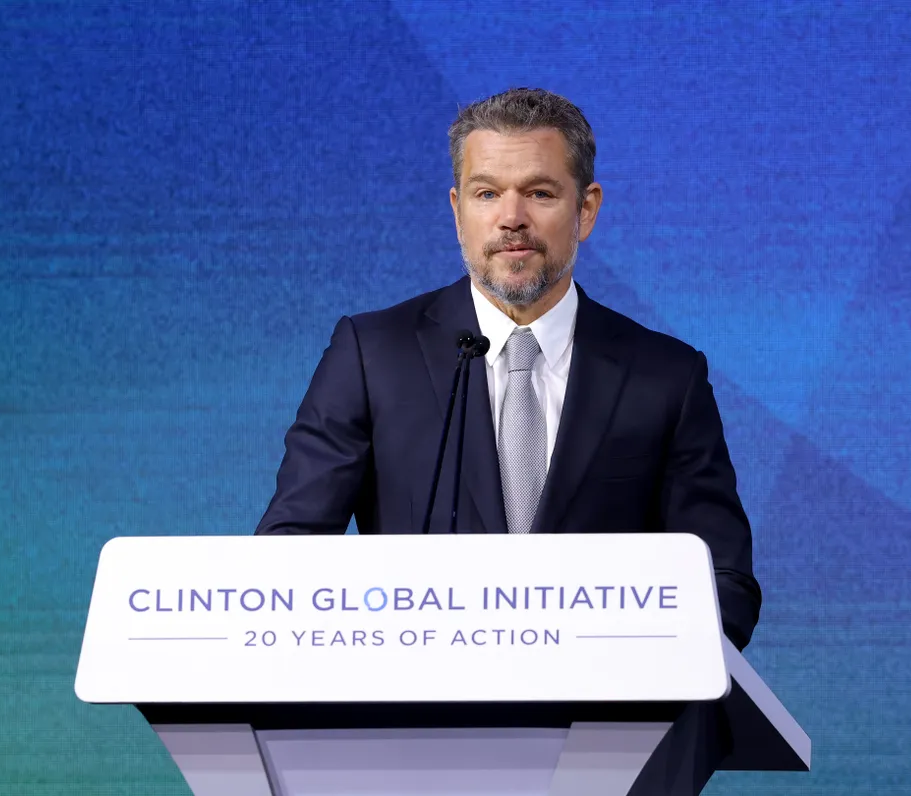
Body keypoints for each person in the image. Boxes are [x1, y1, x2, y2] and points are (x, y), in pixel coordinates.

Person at [255, 87, 761, 793]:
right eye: (487, 193)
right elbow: (288, 554)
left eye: (541, 193)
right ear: (457, 210)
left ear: (586, 210)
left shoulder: (664, 375)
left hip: (610, 733)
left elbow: (726, 583)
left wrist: (636, 653)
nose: (512, 219)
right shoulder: (372, 352)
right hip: (412, 730)